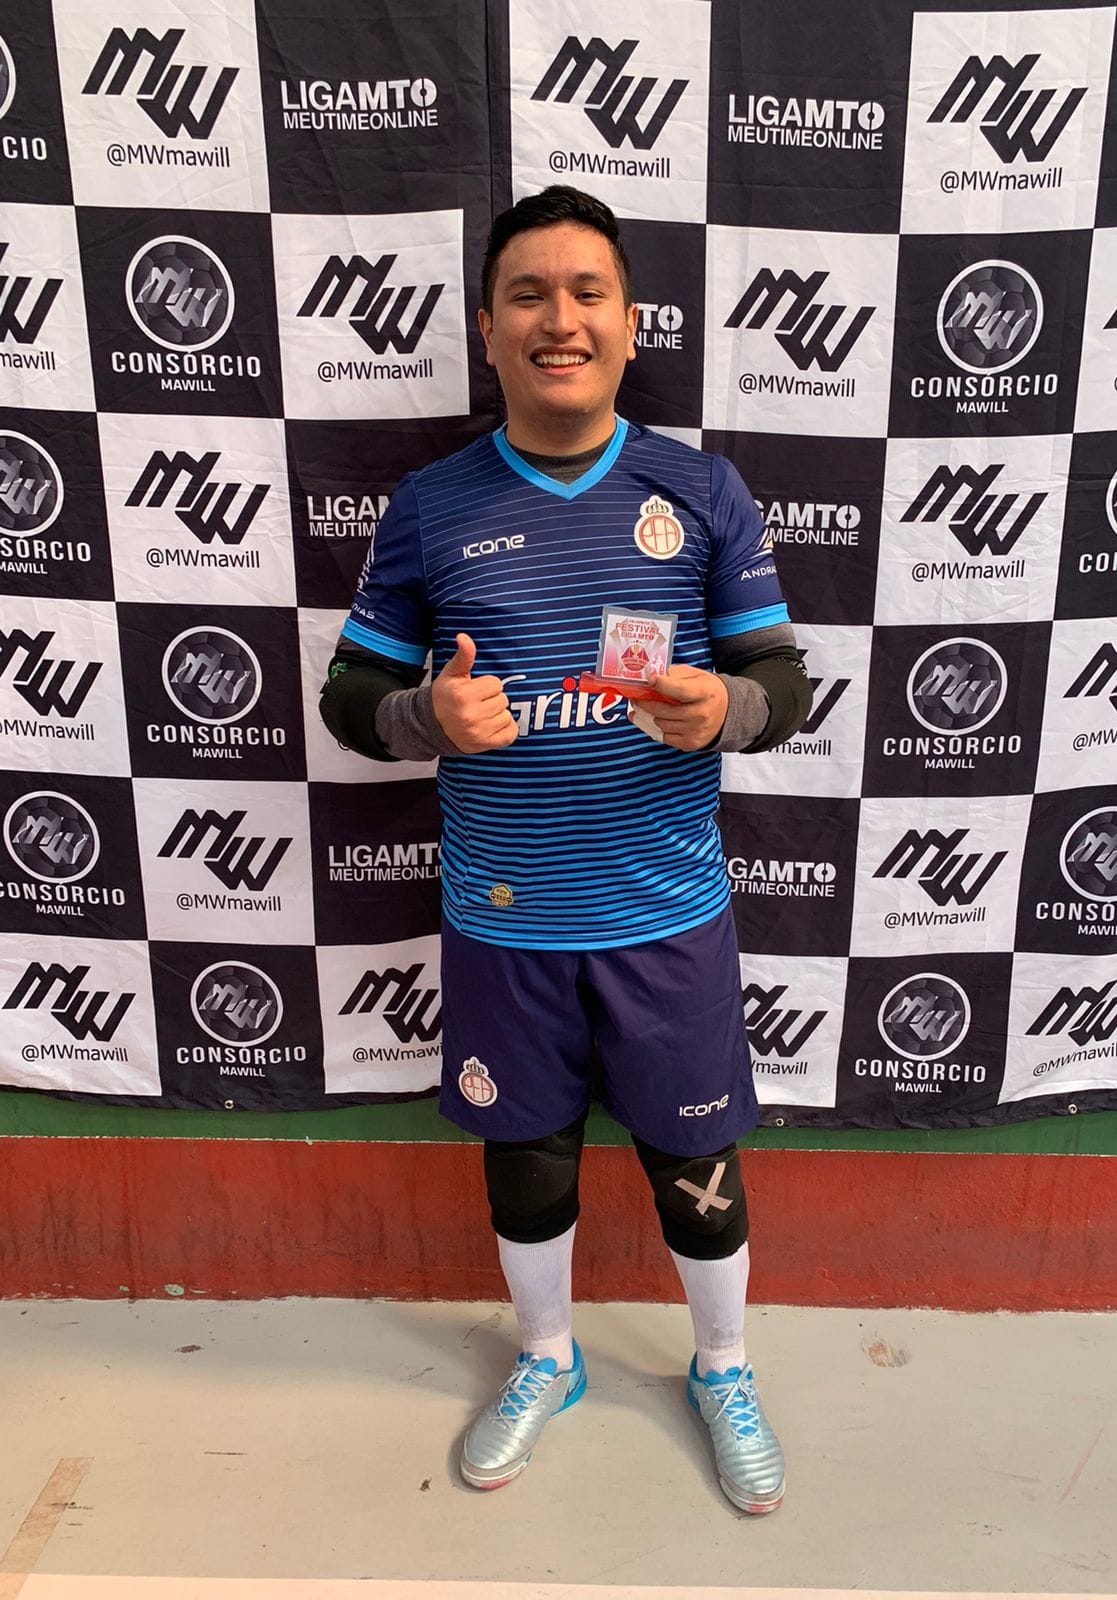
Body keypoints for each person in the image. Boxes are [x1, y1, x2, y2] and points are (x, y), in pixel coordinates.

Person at [319, 186, 812, 1515]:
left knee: (694, 1168)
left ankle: (723, 1368)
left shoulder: (698, 488)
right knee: (526, 1155)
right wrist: (423, 716)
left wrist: (728, 707)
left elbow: (782, 677)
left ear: (630, 324)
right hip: (506, 919)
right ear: (487, 330)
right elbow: (349, 697)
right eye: (527, 294)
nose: (560, 319)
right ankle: (548, 1358)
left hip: (666, 914)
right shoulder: (430, 506)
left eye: (588, 292)